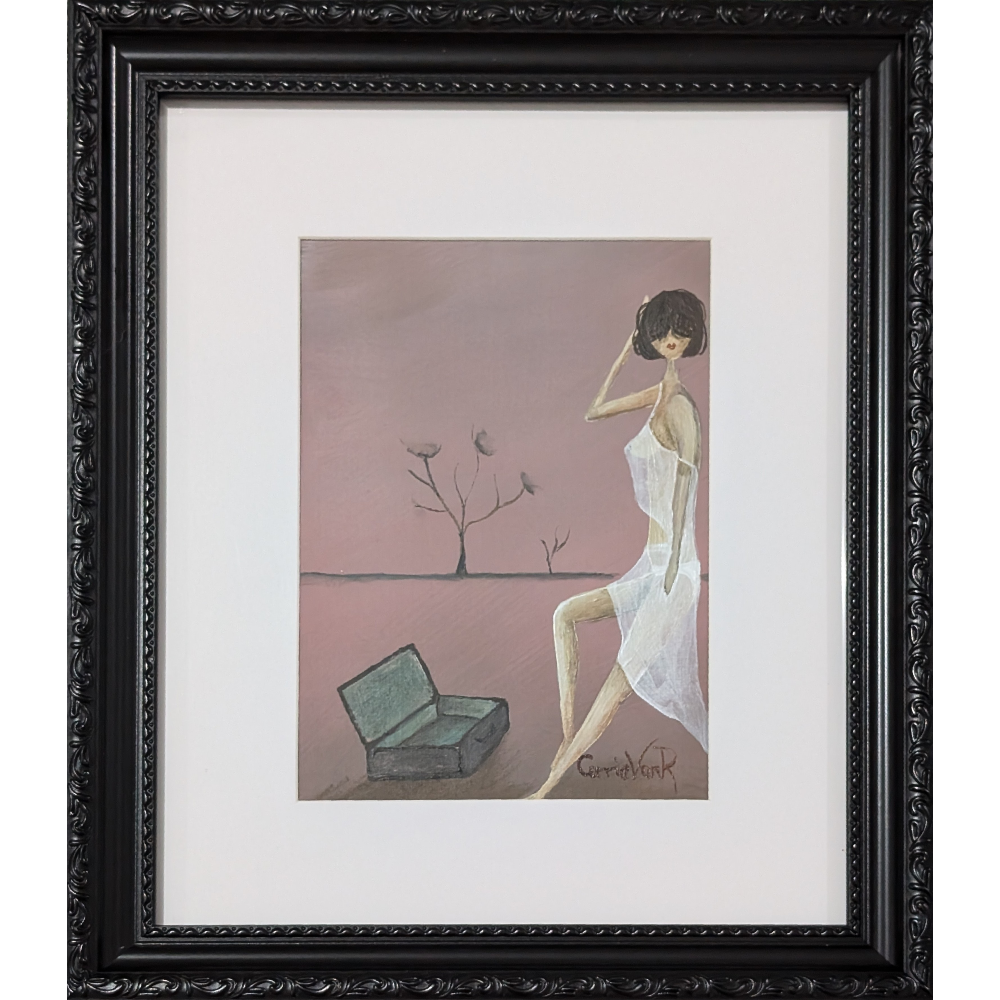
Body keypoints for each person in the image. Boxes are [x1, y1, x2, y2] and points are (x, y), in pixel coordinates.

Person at [526, 289, 709, 799]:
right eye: (660, 331)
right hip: (650, 566)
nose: (669, 339)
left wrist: (673, 567)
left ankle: (546, 787)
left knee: (616, 684)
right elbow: (594, 410)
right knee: (564, 614)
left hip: (674, 572)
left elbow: (687, 485)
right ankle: (566, 739)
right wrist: (626, 349)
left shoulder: (682, 410)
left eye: (678, 332)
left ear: (690, 337)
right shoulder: (660, 397)